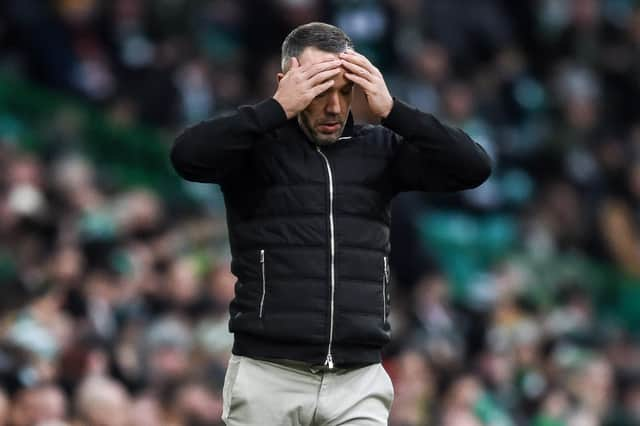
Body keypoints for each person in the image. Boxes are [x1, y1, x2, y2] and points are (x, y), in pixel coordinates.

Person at [171, 21, 491, 426]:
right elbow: (186, 156)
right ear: (286, 81)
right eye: (319, 89)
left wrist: (395, 111)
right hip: (270, 373)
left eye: (344, 90)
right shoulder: (252, 147)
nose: (335, 107)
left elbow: (474, 167)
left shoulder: (379, 149)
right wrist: (275, 109)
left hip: (357, 382)